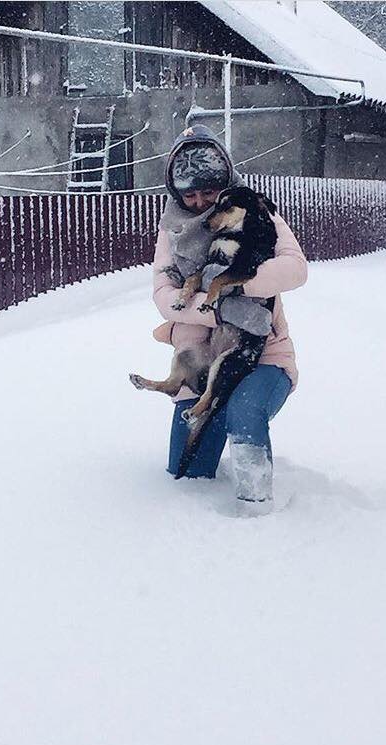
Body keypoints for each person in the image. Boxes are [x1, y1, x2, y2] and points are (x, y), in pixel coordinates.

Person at [150, 124, 307, 514]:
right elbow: (165, 298)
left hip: (261, 355)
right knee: (186, 473)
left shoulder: (257, 212)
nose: (201, 202)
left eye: (209, 192)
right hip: (201, 362)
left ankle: (256, 512)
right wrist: (216, 307)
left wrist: (235, 285)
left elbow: (295, 269)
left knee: (244, 411)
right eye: (190, 194)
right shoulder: (173, 231)